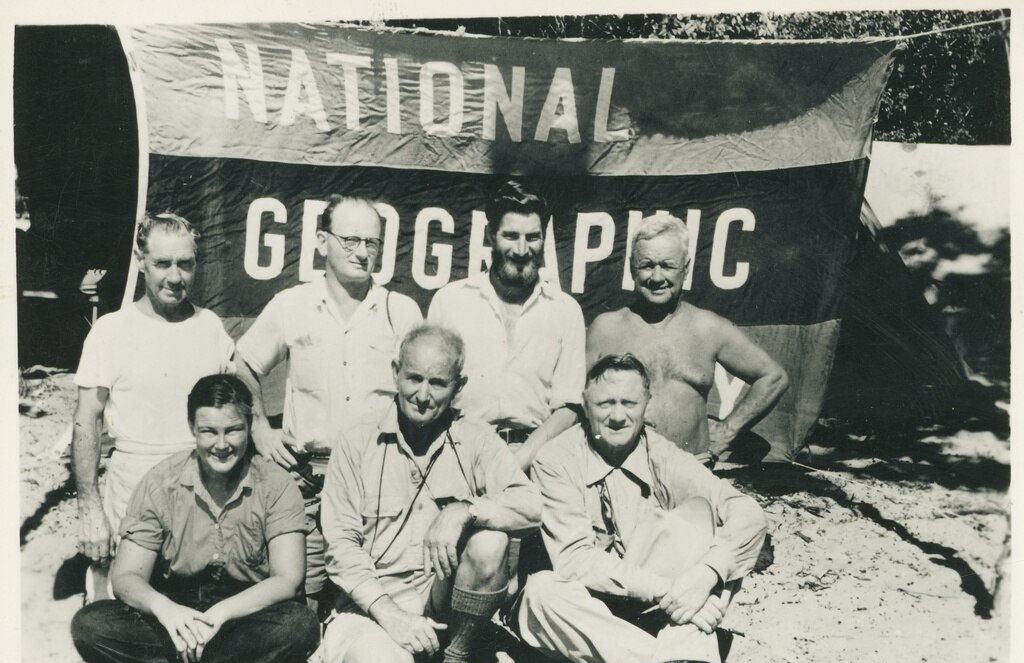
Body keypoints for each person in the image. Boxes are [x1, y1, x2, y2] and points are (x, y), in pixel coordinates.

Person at [517, 354, 768, 663]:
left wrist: (706, 575)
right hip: (594, 609)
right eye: (605, 403)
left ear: (647, 405)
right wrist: (671, 592)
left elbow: (747, 513)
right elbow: (576, 561)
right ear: (585, 404)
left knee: (694, 519)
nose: (618, 416)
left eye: (629, 403)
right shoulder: (555, 459)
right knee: (540, 595)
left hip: (660, 611)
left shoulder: (661, 453)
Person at [319, 324, 541, 663]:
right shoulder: (356, 441)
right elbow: (340, 548)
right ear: (395, 373)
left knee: (490, 540)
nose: (423, 395)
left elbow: (532, 507)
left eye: (438, 383)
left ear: (459, 386)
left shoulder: (476, 438)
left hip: (448, 610)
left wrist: (465, 510)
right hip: (374, 611)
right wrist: (391, 616)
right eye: (414, 378)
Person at [70, 374, 319, 663]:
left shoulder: (276, 485)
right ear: (192, 429)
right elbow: (127, 576)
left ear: (249, 425)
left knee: (300, 626)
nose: (221, 444)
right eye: (208, 431)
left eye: (233, 430)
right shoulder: (161, 482)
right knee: (90, 627)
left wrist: (220, 615)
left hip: (244, 611)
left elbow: (288, 579)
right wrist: (168, 611)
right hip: (176, 607)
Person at [235, 194, 422, 608]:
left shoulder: (401, 311)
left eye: (372, 243)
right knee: (305, 599)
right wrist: (260, 430)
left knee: (373, 594)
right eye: (350, 240)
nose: (362, 253)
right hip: (309, 481)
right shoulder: (293, 305)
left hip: (377, 482)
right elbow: (242, 365)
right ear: (321, 241)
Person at [73, 213, 235, 599]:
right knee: (120, 615)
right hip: (131, 491)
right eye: (163, 264)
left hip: (200, 495)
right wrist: (90, 509)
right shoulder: (111, 331)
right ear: (140, 259)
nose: (175, 278)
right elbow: (85, 422)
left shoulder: (210, 327)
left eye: (186, 264)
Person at [586, 213, 788, 466]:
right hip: (618, 469)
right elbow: (578, 402)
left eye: (668, 266)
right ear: (631, 267)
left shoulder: (708, 327)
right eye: (647, 265)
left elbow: (773, 377)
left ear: (686, 267)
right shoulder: (606, 328)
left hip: (691, 471)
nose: (657, 277)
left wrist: (725, 434)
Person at [427, 181, 585, 472]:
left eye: (533, 237)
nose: (522, 250)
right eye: (510, 236)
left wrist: (519, 460)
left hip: (538, 461)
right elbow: (431, 391)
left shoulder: (566, 312)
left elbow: (569, 407)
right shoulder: (449, 302)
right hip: (458, 456)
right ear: (491, 235)